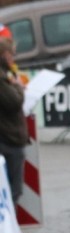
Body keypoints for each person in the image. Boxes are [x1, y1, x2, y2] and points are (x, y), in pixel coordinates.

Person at [0, 37, 28, 204]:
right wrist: (17, 86)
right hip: (8, 140)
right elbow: (14, 103)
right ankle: (9, 229)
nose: (13, 58)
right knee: (12, 191)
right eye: (11, 54)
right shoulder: (2, 78)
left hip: (7, 137)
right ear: (4, 54)